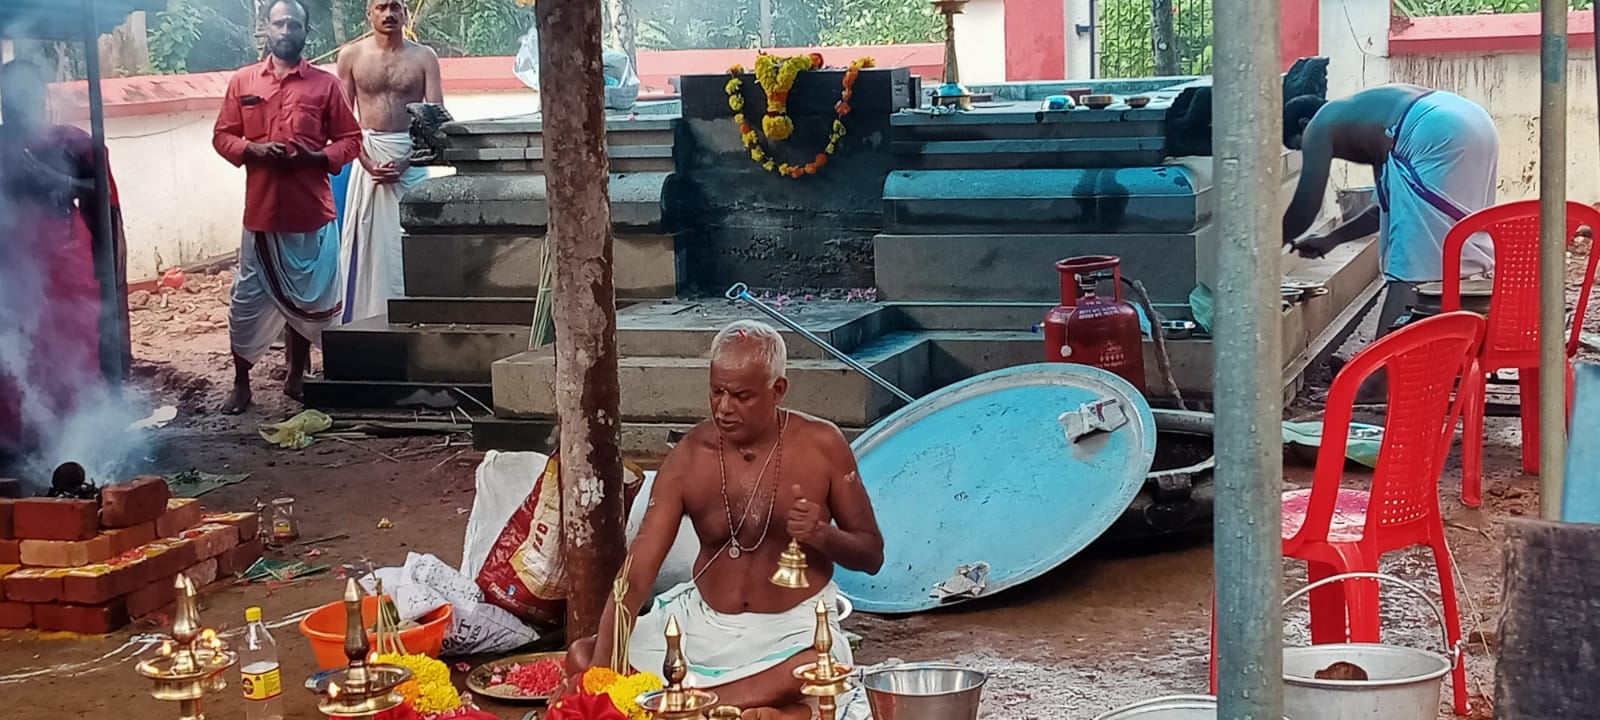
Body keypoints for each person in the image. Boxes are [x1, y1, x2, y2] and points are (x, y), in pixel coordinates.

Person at [564, 320, 885, 720]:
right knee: (584, 656)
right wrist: (602, 673)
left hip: (791, 629)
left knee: (810, 667)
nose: (723, 408)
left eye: (741, 396)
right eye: (716, 392)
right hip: (702, 625)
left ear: (777, 391)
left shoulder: (822, 446)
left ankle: (698, 704)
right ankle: (762, 709)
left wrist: (821, 534)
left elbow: (871, 555)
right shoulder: (690, 456)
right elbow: (638, 570)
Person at [212, 0, 362, 414]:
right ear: (265, 28)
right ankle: (241, 384)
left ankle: (297, 376)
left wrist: (317, 159)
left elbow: (351, 140)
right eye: (279, 22)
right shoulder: (243, 82)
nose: (286, 30)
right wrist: (253, 149)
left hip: (311, 213)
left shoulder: (325, 85)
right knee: (246, 303)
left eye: (294, 24)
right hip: (262, 216)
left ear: (305, 31)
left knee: (309, 303)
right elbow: (222, 136)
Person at [1282, 84, 1499, 341]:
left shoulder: (1319, 124)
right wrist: (1331, 240)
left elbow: (1306, 206)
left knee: (1411, 258)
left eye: (1302, 147)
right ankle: (1445, 349)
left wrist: (1266, 248)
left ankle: (1382, 371)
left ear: (1304, 123)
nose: (1311, 153)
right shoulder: (1368, 122)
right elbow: (1386, 207)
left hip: (1436, 127)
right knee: (1452, 241)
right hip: (1474, 120)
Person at [0, 59, 127, 457]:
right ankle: (16, 444)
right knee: (16, 352)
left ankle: (78, 440)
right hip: (10, 267)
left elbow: (103, 196)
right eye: (12, 95)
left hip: (66, 266)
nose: (21, 103)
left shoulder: (71, 143)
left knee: (73, 350)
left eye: (28, 93)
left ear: (41, 97)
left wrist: (60, 182)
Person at [335, 0, 442, 323]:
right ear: (369, 13)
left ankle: (419, 317)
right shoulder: (350, 56)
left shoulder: (424, 57)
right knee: (367, 247)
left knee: (413, 241)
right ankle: (364, 319)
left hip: (412, 161)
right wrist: (366, 161)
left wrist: (408, 161)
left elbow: (435, 118)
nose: (389, 13)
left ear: (405, 12)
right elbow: (341, 121)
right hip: (368, 157)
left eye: (396, 6)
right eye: (381, 7)